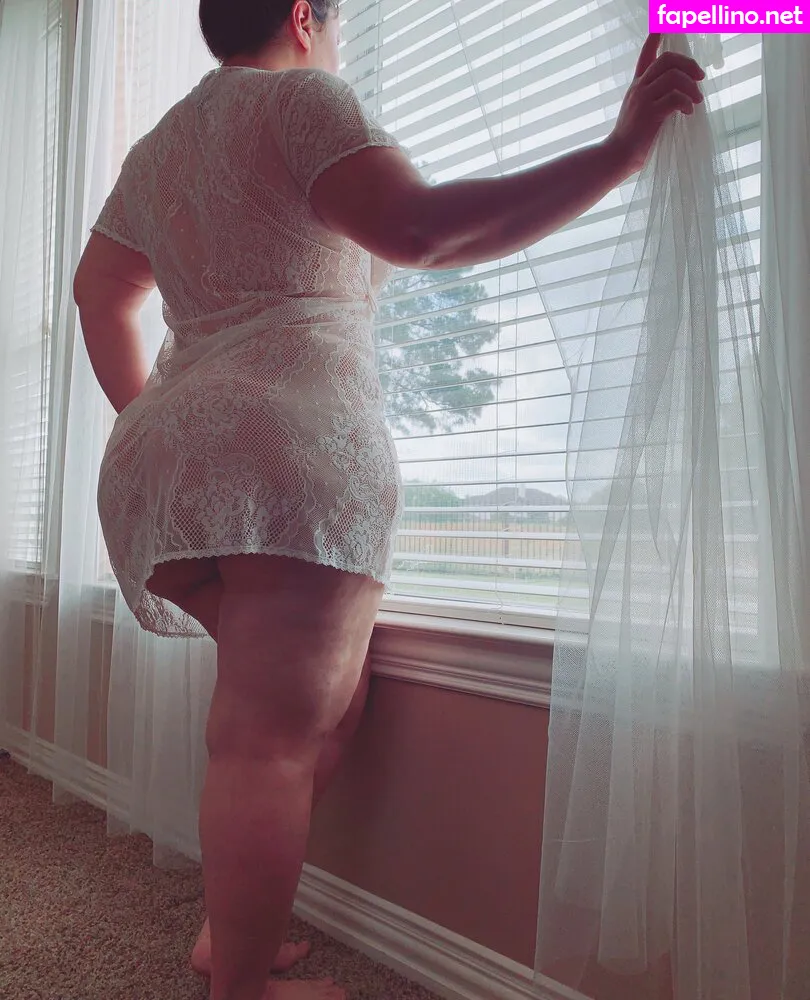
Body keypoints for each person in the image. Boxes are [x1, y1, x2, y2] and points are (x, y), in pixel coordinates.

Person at [72, 2, 704, 997]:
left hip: (168, 472)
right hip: (286, 452)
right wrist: (619, 154)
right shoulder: (302, 100)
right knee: (270, 737)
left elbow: (98, 294)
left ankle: (228, 938)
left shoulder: (158, 150)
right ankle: (238, 987)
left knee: (326, 709)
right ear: (304, 17)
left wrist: (163, 424)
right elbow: (419, 228)